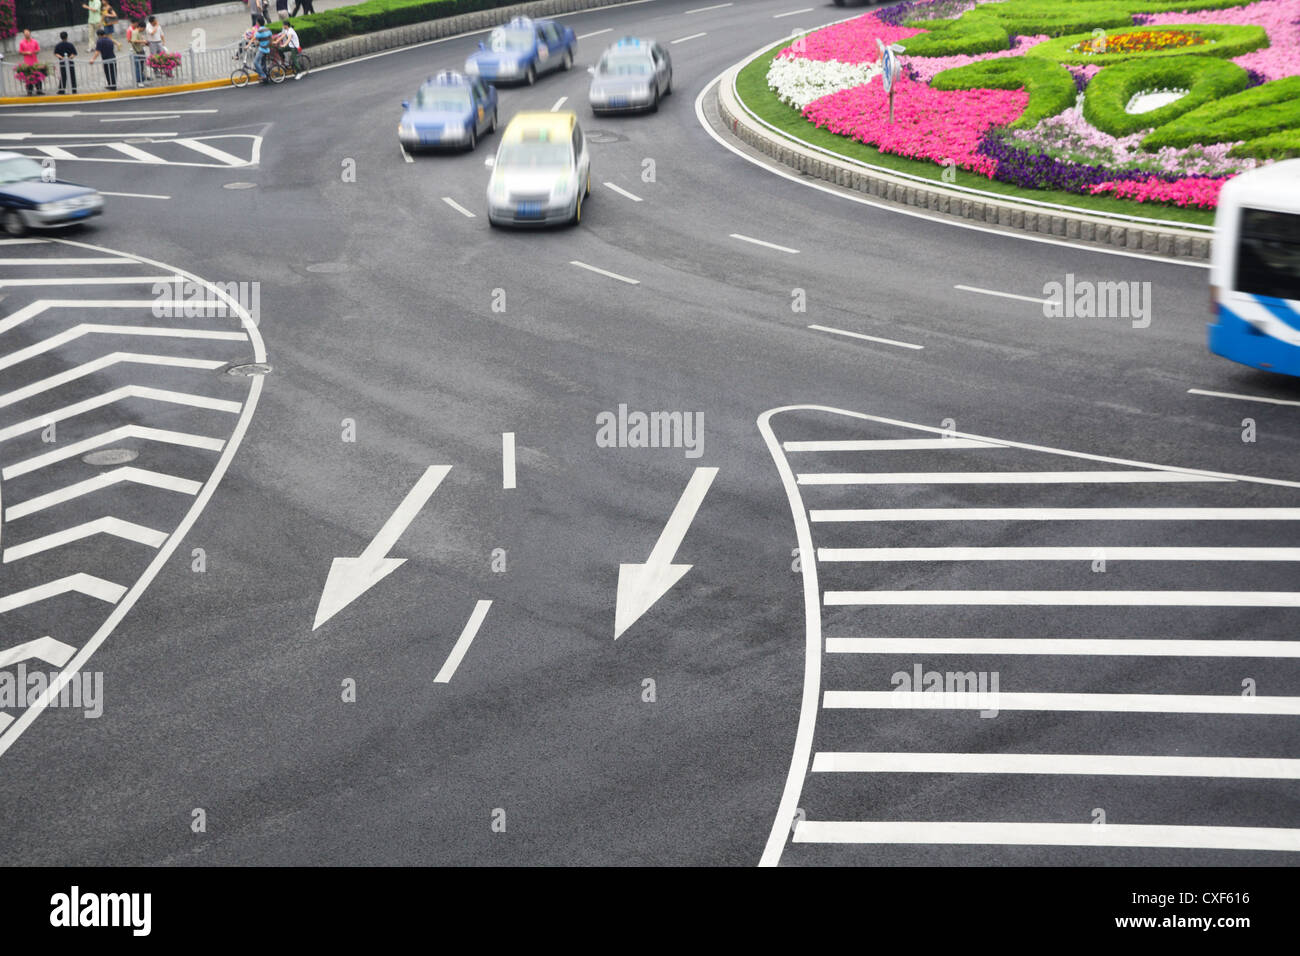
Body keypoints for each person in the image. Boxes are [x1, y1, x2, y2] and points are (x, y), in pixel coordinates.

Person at [18, 29, 41, 95]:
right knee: (28, 77)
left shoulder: (34, 41)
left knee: (37, 75)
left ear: (30, 33)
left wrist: (35, 52)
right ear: (24, 34)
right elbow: (20, 52)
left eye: (28, 33)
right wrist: (26, 52)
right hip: (27, 62)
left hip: (35, 62)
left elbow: (38, 49)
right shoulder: (22, 42)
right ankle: (29, 91)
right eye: (25, 33)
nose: (27, 34)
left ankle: (39, 90)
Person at [253, 16, 273, 84]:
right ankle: (265, 79)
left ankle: (263, 75)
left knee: (255, 62)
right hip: (267, 48)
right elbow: (270, 36)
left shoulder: (259, 31)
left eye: (256, 22)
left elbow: (255, 38)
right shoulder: (268, 29)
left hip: (262, 49)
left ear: (258, 23)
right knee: (263, 64)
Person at [126, 19, 147, 84]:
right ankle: (139, 81)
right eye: (143, 29)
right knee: (138, 67)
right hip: (137, 52)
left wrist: (144, 43)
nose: (143, 30)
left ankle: (142, 79)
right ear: (141, 27)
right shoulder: (135, 32)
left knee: (141, 66)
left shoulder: (138, 32)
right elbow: (134, 40)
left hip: (140, 50)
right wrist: (143, 41)